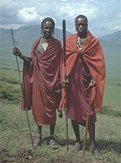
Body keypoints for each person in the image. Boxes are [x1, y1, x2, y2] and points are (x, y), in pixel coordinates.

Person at [13, 17, 62, 148]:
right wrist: (20, 55)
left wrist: (59, 81)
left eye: (50, 27)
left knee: (51, 109)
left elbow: (59, 64)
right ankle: (38, 137)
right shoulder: (36, 43)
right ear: (42, 28)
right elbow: (33, 62)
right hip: (38, 81)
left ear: (53, 29)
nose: (48, 29)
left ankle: (52, 137)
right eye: (46, 27)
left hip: (51, 82)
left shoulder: (57, 44)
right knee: (38, 109)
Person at [59, 15, 105, 153]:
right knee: (72, 111)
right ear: (75, 26)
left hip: (86, 84)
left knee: (89, 114)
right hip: (72, 83)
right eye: (78, 24)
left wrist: (94, 78)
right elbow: (64, 63)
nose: (80, 27)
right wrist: (64, 77)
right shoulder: (70, 42)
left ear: (87, 25)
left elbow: (99, 64)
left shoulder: (93, 42)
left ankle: (92, 144)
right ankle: (78, 141)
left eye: (83, 24)